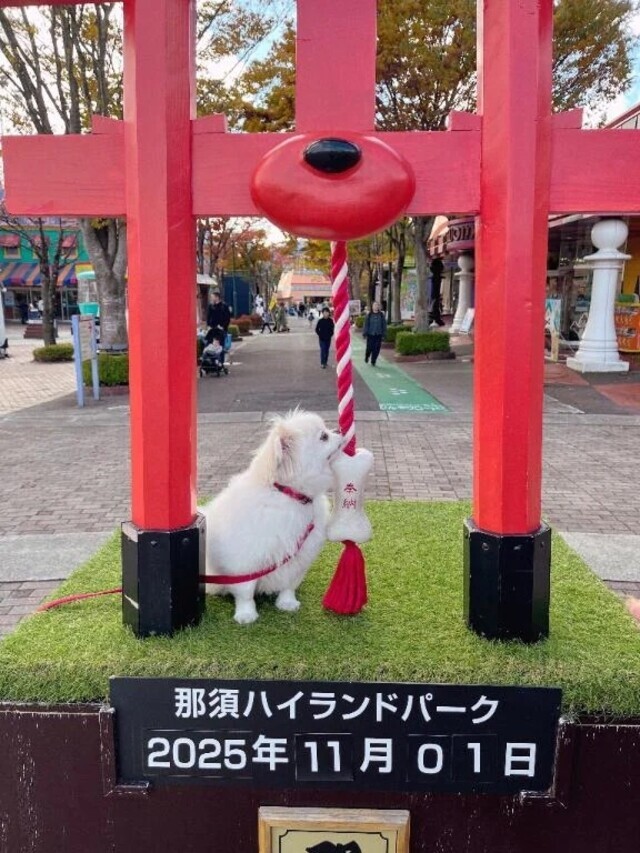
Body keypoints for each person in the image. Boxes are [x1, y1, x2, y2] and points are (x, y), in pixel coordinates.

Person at [206, 291, 231, 364]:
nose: (211, 298)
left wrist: (223, 326)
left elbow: (227, 318)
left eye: (212, 297)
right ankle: (211, 362)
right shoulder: (211, 306)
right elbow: (208, 317)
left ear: (217, 297)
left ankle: (220, 362)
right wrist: (209, 325)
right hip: (212, 329)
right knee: (210, 344)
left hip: (221, 329)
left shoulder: (224, 306)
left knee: (220, 346)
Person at [362, 301, 387, 366]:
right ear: (372, 307)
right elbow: (366, 324)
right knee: (369, 348)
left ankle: (373, 360)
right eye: (374, 305)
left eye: (377, 305)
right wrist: (365, 333)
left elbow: (384, 325)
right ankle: (367, 356)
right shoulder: (369, 315)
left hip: (378, 335)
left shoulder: (381, 315)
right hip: (370, 334)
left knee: (376, 349)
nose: (376, 306)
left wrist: (384, 334)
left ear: (378, 307)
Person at [428, 257, 445, 326]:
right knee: (434, 303)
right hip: (435, 295)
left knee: (434, 303)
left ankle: (434, 318)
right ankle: (434, 318)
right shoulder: (436, 277)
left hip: (434, 295)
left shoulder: (435, 277)